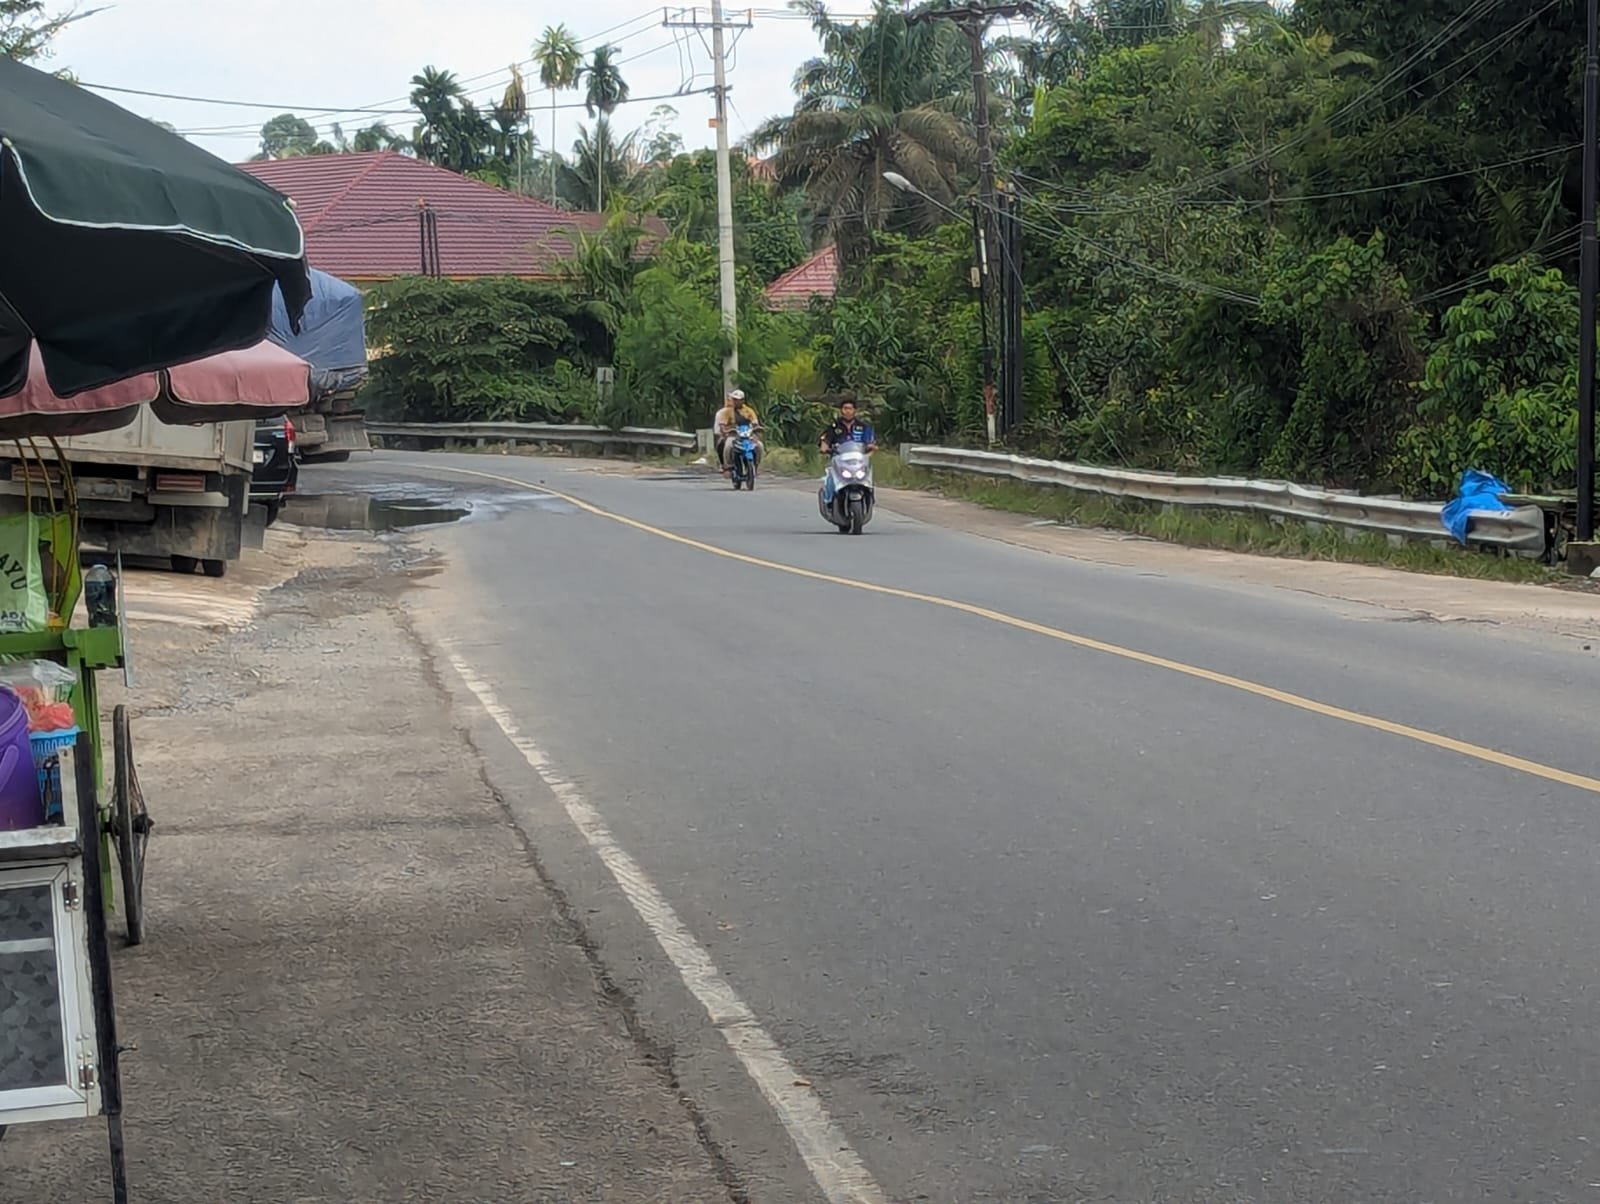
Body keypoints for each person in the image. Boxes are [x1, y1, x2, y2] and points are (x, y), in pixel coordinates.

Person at [714, 389, 762, 474]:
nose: (736, 402)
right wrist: (725, 430)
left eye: (739, 400)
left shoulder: (749, 411)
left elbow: (755, 423)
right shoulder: (727, 412)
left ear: (743, 400)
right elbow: (722, 424)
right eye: (735, 399)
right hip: (733, 435)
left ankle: (755, 465)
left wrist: (756, 431)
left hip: (747, 435)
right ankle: (728, 466)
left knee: (759, 446)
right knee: (728, 445)